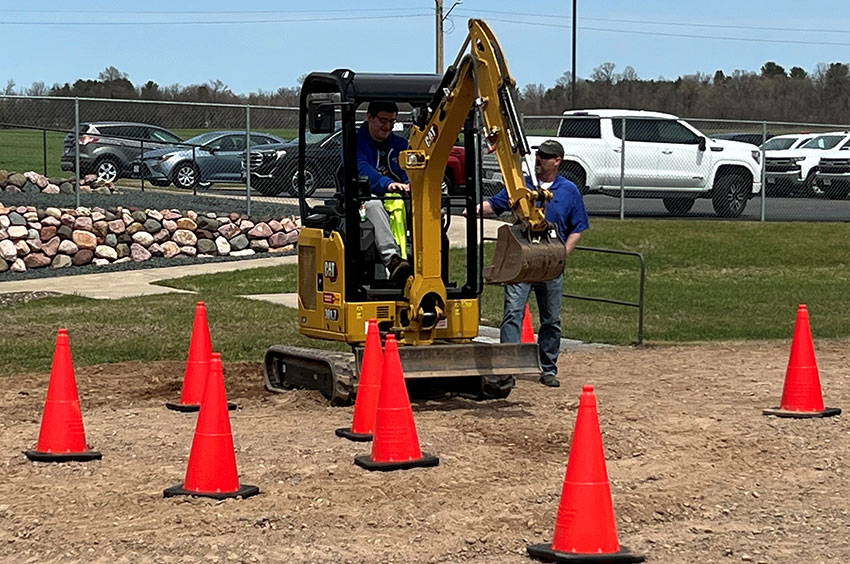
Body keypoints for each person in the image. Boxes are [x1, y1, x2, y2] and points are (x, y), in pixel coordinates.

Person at [478, 139, 589, 387]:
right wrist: (469, 208)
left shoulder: (569, 190)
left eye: (546, 156)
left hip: (550, 265)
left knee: (551, 319)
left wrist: (561, 255)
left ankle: (548, 367)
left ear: (557, 161)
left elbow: (577, 228)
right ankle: (508, 367)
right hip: (521, 263)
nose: (540, 160)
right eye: (539, 155)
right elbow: (495, 205)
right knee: (513, 313)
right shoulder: (521, 185)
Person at [356, 101, 413, 284]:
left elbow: (410, 170)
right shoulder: (354, 144)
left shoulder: (401, 145)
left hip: (399, 199)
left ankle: (427, 265)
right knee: (373, 205)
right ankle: (393, 261)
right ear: (369, 117)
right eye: (383, 120)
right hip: (363, 199)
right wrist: (388, 184)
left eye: (392, 121)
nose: (387, 126)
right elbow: (361, 168)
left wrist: (411, 184)